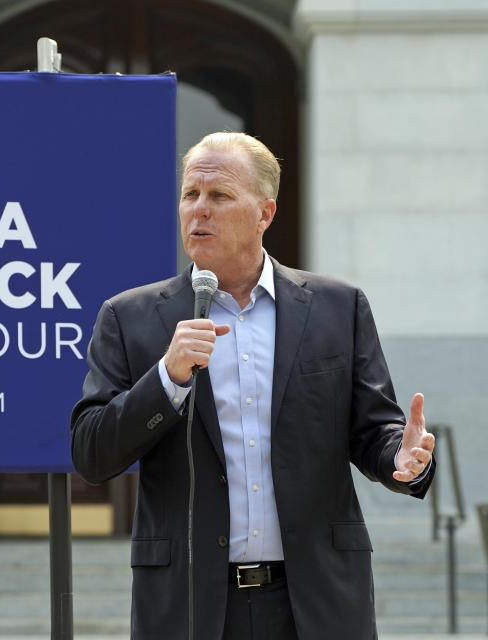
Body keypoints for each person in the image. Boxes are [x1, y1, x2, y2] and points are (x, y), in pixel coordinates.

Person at [70, 132, 435, 640]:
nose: (199, 210)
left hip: (315, 602)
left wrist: (403, 457)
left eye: (219, 196)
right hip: (191, 604)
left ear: (265, 213)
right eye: (190, 195)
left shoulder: (337, 308)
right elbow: (91, 453)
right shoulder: (130, 318)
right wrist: (167, 379)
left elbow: (374, 432)